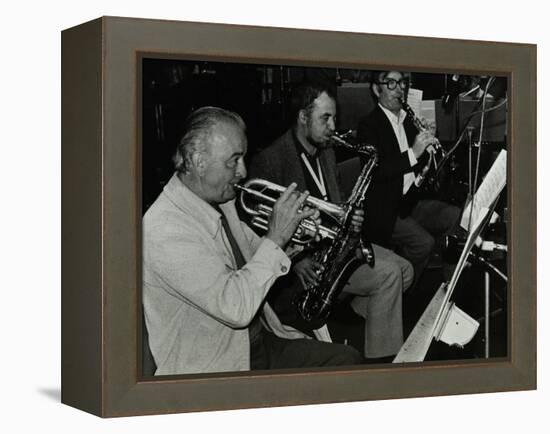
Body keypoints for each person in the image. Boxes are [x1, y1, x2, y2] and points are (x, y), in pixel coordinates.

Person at [142, 106, 361, 375]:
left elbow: (256, 254)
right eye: (233, 160)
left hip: (256, 341)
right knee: (343, 367)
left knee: (347, 359)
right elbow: (236, 307)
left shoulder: (219, 201)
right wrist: (276, 236)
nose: (243, 171)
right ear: (198, 161)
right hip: (215, 366)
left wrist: (295, 236)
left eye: (243, 158)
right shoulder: (165, 228)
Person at [248, 83, 414, 361]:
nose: (333, 126)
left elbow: (334, 201)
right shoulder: (271, 160)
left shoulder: (325, 150)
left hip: (336, 246)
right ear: (303, 117)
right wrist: (296, 261)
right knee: (388, 276)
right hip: (306, 262)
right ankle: (381, 362)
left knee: (406, 270)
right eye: (325, 118)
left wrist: (350, 214)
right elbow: (255, 228)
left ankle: (356, 316)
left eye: (334, 118)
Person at [357, 71, 461, 282]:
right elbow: (377, 171)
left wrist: (430, 142)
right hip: (385, 210)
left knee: (456, 217)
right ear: (377, 89)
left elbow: (420, 167)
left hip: (411, 202)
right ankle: (400, 286)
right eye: (391, 83)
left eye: (402, 83)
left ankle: (448, 286)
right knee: (423, 243)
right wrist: (414, 152)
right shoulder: (368, 126)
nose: (400, 89)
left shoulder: (407, 121)